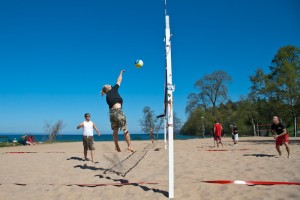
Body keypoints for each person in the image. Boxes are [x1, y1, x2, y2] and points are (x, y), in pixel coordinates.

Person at [101, 70, 135, 152]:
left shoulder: (107, 96)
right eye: (110, 86)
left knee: (115, 130)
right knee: (125, 129)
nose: (112, 86)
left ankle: (116, 146)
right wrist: (120, 73)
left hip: (111, 114)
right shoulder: (113, 90)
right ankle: (130, 146)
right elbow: (119, 80)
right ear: (109, 88)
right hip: (118, 112)